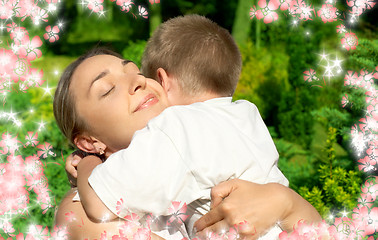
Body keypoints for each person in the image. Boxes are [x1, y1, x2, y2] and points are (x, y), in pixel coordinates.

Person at [54, 16, 321, 239]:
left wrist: (87, 165)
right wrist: (287, 203)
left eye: (136, 71)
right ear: (88, 140)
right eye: (108, 89)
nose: (136, 81)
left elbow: (98, 201)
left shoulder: (172, 129)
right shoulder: (243, 112)